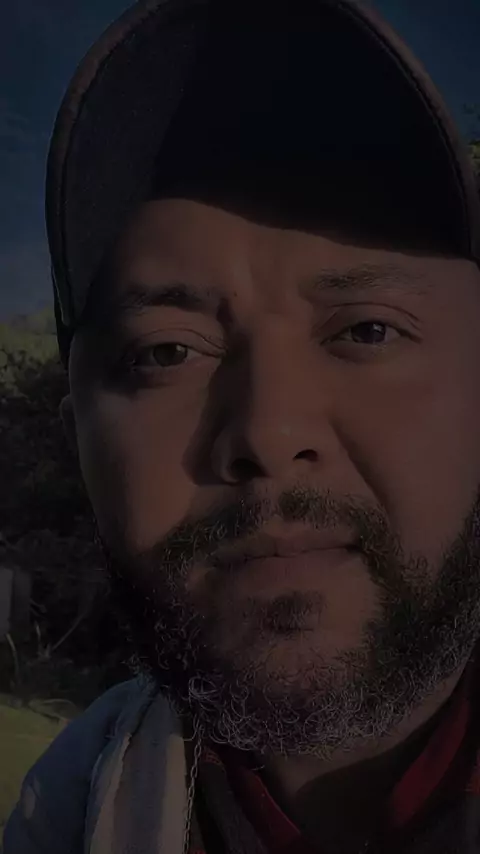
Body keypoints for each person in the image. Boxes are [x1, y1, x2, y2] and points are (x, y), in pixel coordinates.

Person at [4, 0, 480, 852]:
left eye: (369, 330)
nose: (267, 431)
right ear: (81, 446)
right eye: (165, 352)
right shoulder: (61, 812)